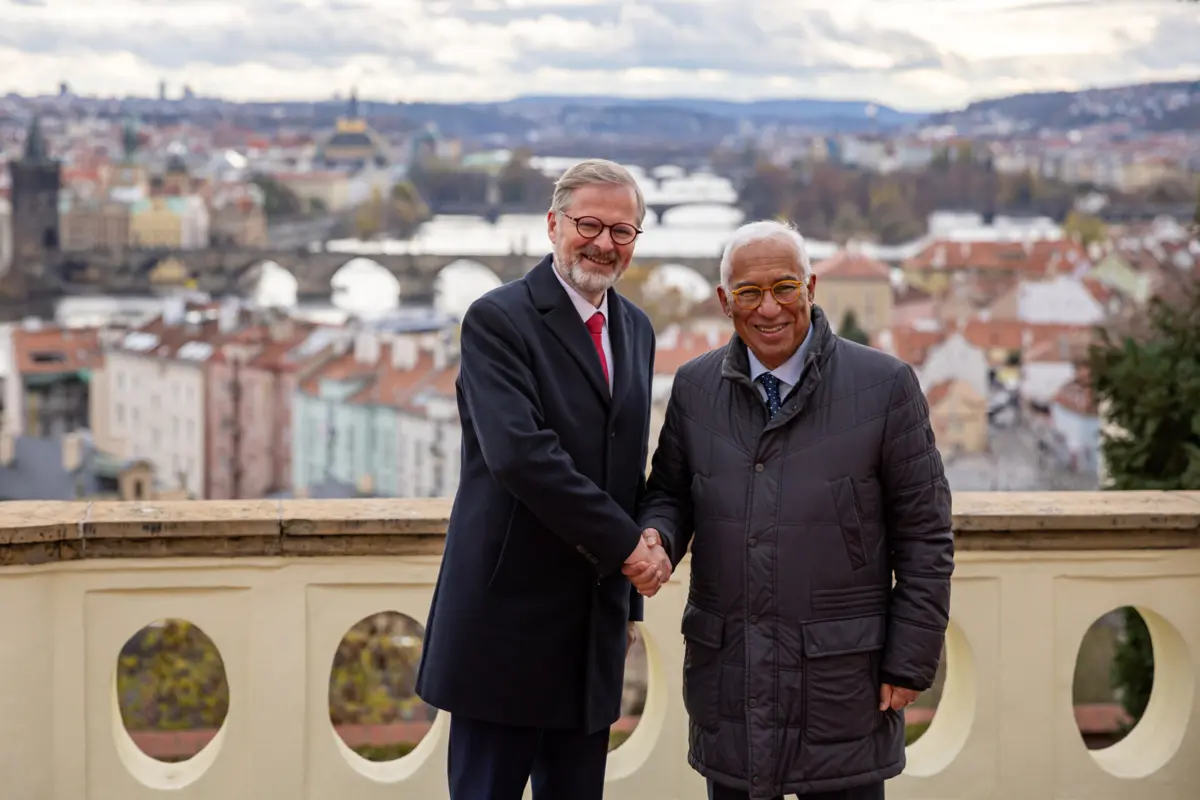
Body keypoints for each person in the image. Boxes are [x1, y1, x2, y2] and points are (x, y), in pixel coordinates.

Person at [636, 220, 955, 800]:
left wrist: (910, 660)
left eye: (784, 288)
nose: (769, 309)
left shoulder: (884, 386)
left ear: (810, 287)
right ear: (724, 301)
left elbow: (926, 535)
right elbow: (671, 494)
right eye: (749, 293)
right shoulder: (694, 387)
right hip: (730, 675)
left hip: (842, 685)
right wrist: (657, 534)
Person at [415, 158, 673, 800]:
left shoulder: (636, 328)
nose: (604, 243)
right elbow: (521, 456)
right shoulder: (498, 319)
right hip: (506, 624)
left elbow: (626, 465)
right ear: (553, 225)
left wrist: (653, 542)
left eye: (623, 231)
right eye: (589, 224)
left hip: (591, 628)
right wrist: (624, 545)